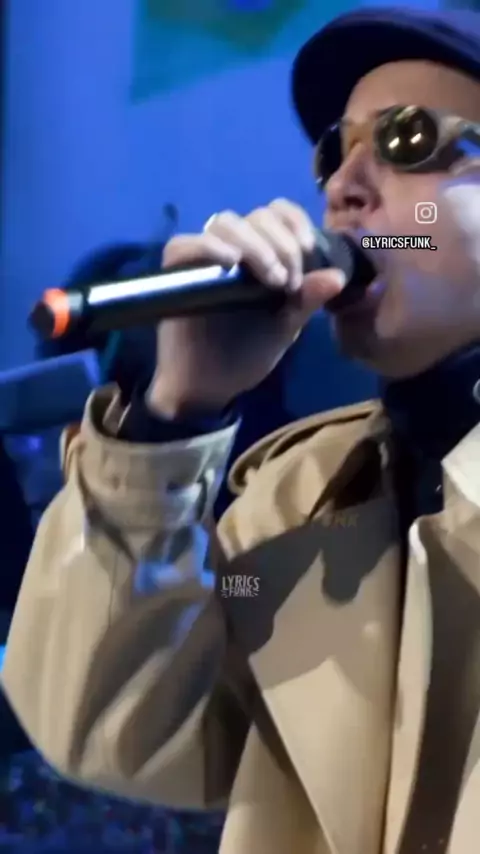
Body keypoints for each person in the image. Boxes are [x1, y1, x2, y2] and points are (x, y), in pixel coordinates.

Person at [3, 6, 480, 853]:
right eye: (333, 152)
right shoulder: (298, 504)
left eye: (409, 139)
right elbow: (116, 730)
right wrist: (171, 418)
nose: (343, 186)